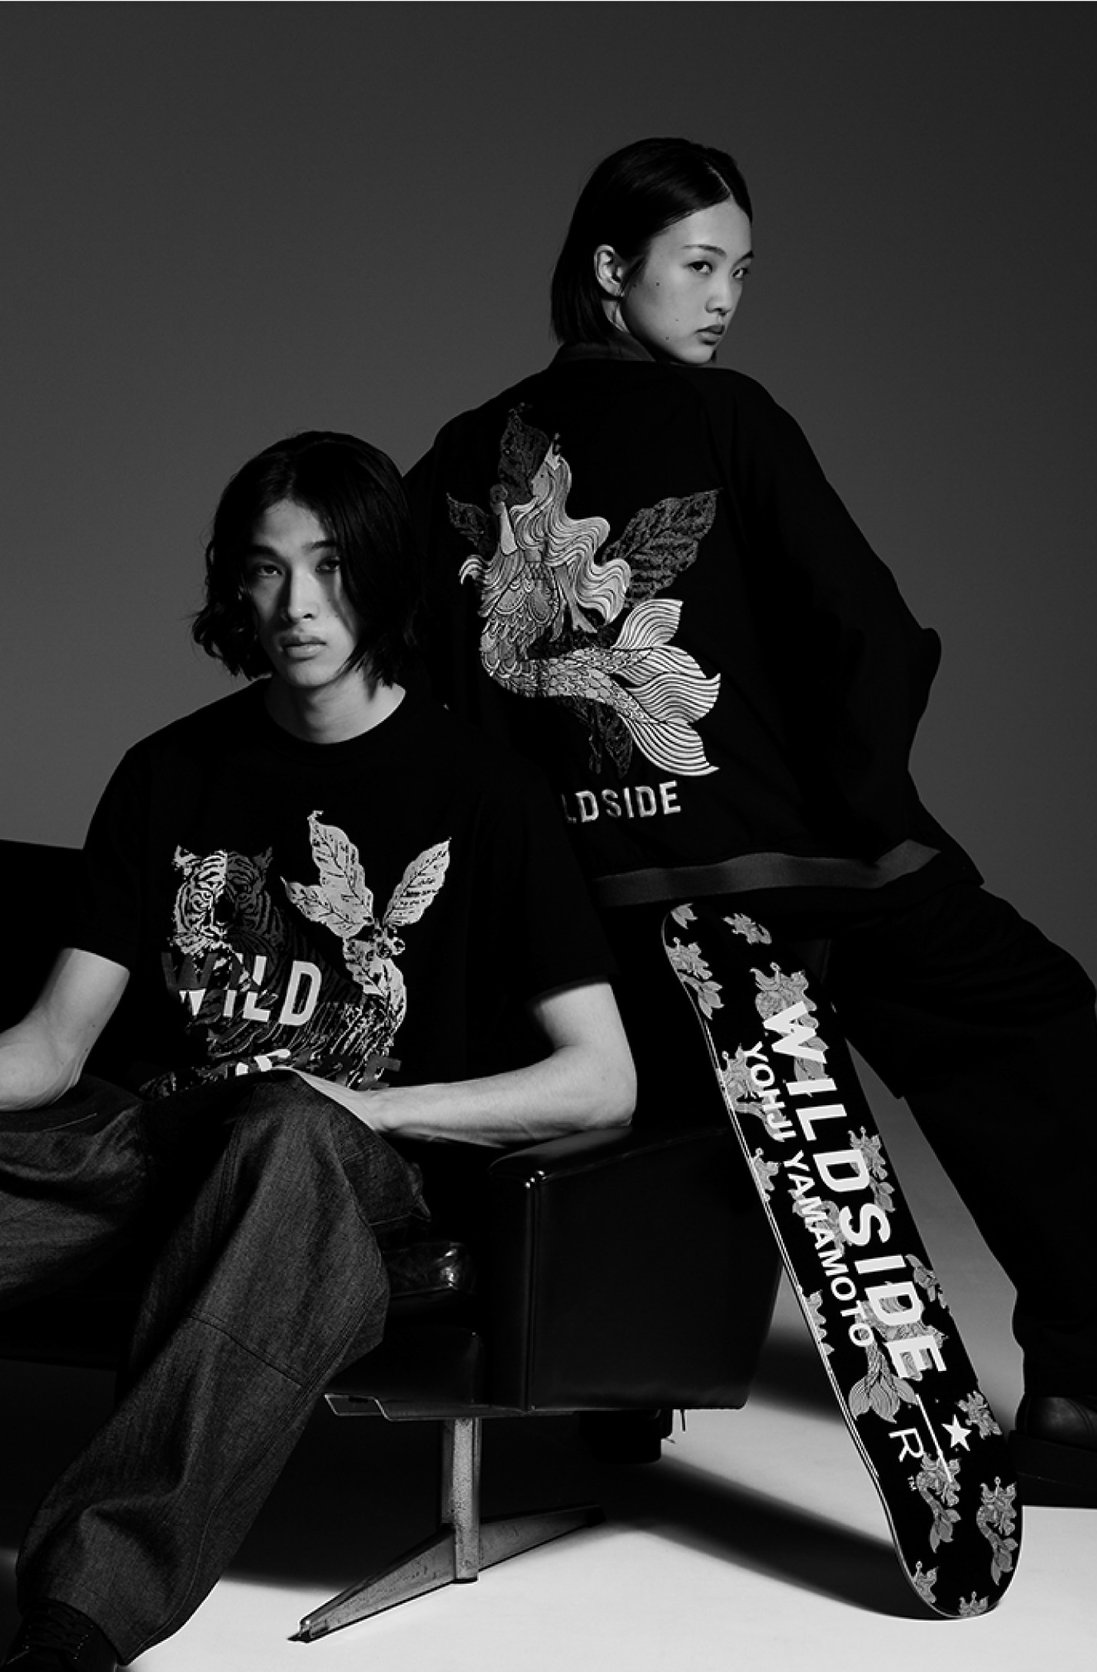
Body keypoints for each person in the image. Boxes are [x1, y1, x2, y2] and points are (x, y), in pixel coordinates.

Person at [404, 136, 1097, 1513]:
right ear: (612, 268)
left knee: (665, 1100)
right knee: (1026, 1014)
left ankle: (615, 1387)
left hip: (588, 907)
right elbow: (864, 628)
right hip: (781, 868)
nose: (725, 299)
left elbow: (423, 684)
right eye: (700, 265)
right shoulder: (728, 419)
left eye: (742, 272)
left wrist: (534, 871)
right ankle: (1085, 1387)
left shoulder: (465, 454)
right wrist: (870, 816)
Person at [0, 431, 636, 1672]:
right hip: (158, 1148)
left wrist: (359, 1105)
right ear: (232, 587)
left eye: (332, 566)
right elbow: (50, 1049)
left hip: (343, 1172)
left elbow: (602, 1081)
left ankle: (78, 1618)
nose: (296, 603)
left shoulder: (484, 793)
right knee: (163, 1136)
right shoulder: (168, 771)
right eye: (265, 568)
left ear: (384, 576)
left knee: (284, 1127)